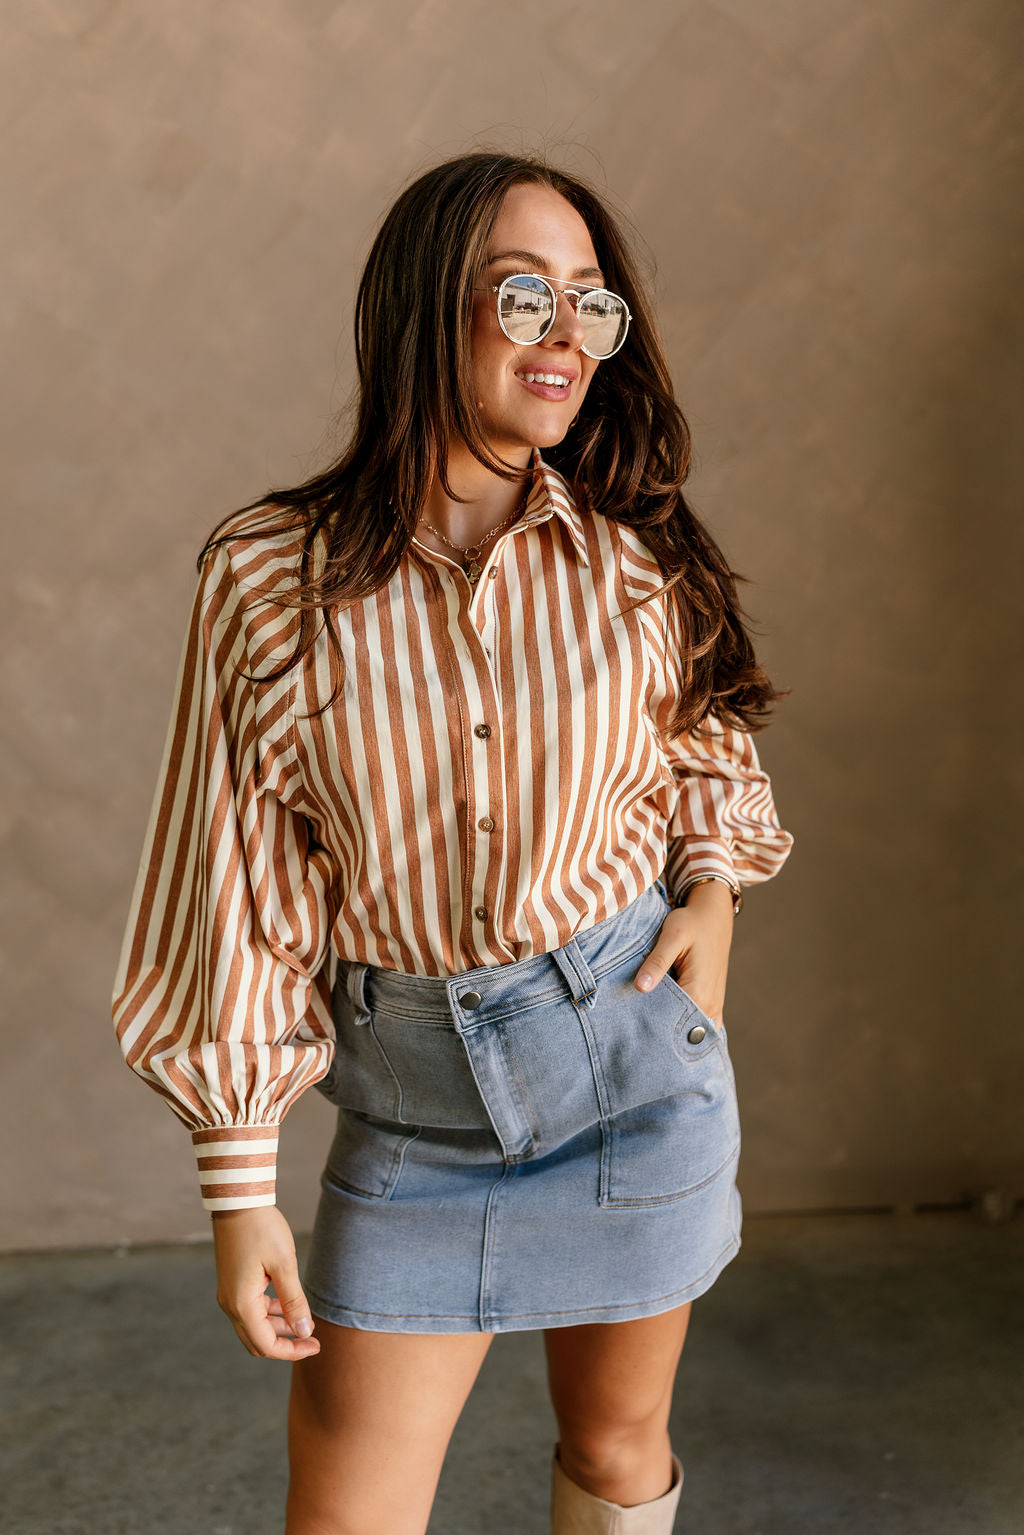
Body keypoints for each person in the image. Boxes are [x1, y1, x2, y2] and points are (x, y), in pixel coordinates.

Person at [112, 151, 795, 1535]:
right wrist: (240, 1189)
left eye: (591, 307)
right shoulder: (265, 578)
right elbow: (228, 880)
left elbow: (708, 737)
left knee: (616, 1453)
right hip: (411, 1119)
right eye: (525, 295)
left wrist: (713, 885)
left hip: (631, 1072)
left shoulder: (638, 555)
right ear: (426, 308)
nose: (567, 339)